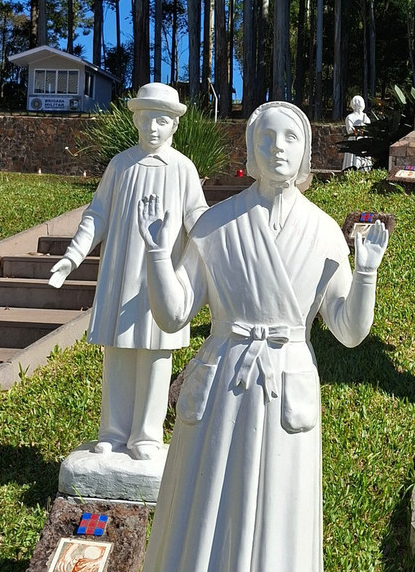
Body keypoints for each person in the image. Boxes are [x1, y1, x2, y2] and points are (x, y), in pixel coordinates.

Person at [138, 101, 389, 572]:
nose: (278, 148)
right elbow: (173, 316)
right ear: (252, 149)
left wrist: (366, 274)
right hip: (223, 381)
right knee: (208, 502)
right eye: (266, 138)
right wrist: (156, 254)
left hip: (286, 381)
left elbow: (350, 332)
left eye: (290, 138)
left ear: (305, 151)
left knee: (280, 509)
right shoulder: (214, 224)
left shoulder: (324, 233)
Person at [49, 82, 208, 461]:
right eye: (147, 119)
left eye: (162, 121)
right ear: (136, 120)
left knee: (155, 353)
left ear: (174, 125)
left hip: (160, 278)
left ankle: (146, 435)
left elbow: (198, 217)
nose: (153, 128)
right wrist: (73, 256)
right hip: (120, 274)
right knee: (118, 351)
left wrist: (218, 250)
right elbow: (98, 214)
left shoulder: (182, 168)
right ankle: (113, 430)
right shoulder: (120, 165)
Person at [342, 94, 373, 171]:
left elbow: (369, 129)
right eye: (358, 102)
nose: (360, 104)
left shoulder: (365, 117)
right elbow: (350, 130)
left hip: (364, 141)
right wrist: (359, 129)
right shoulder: (350, 117)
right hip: (354, 141)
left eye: (361, 102)